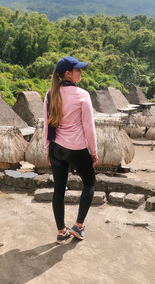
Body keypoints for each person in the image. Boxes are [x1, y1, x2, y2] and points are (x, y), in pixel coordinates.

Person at [43, 56, 98, 245]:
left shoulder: (50, 94)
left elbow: (46, 125)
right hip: (77, 148)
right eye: (78, 70)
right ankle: (78, 226)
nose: (81, 72)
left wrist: (48, 149)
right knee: (90, 183)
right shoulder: (83, 95)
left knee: (59, 189)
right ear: (68, 73)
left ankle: (61, 232)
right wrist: (94, 151)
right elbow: (89, 127)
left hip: (57, 149)